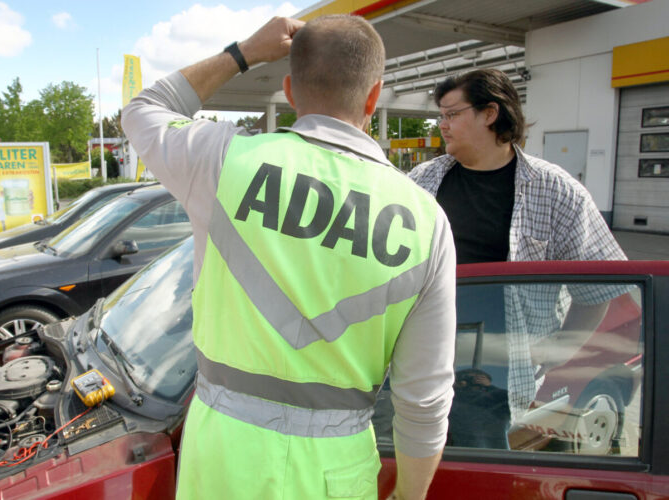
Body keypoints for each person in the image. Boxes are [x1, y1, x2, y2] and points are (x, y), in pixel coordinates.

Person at [123, 15, 456, 500]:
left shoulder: (221, 160)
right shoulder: (427, 221)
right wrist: (408, 495)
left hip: (221, 461)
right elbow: (424, 401)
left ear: (290, 91)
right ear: (373, 97)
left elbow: (144, 107)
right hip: (335, 474)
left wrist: (244, 52)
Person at [408, 68, 626, 264]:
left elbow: (606, 282)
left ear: (490, 113)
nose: (442, 126)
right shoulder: (420, 181)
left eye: (452, 115)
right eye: (442, 117)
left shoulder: (557, 191)